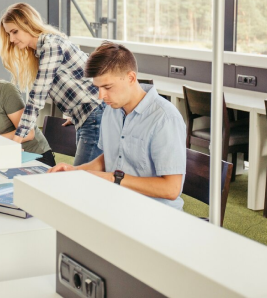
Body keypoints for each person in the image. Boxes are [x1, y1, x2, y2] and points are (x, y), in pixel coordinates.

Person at [49, 41, 187, 210]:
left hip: (154, 213)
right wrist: (75, 171)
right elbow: (109, 157)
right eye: (98, 87)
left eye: (107, 87)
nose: (101, 96)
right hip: (117, 204)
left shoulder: (165, 118)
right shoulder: (111, 110)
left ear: (131, 78)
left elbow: (171, 189)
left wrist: (114, 178)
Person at [0, 2, 104, 166]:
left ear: (28, 24)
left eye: (14, 31)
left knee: (81, 178)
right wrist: (75, 112)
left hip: (95, 116)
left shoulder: (51, 46)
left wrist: (17, 139)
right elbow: (75, 81)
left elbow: (37, 97)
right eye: (8, 34)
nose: (11, 39)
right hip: (87, 116)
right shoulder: (40, 52)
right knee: (87, 179)